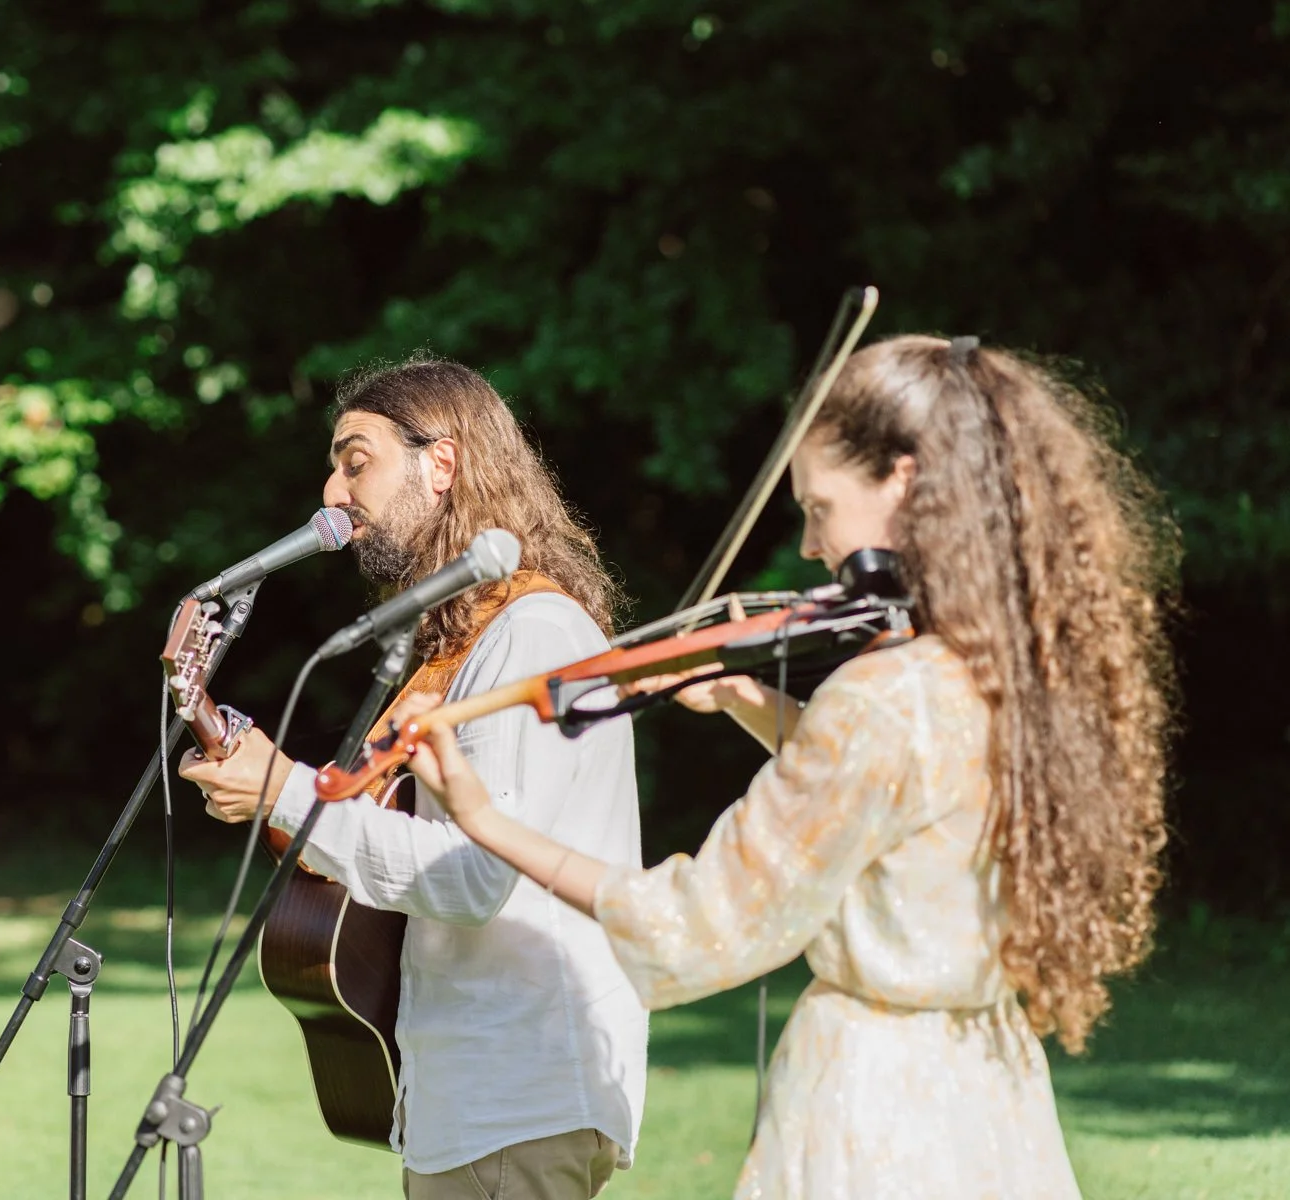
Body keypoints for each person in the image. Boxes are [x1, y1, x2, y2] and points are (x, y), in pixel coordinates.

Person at [392, 335, 1177, 1199]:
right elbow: (893, 789)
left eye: (822, 507)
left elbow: (698, 921)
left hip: (873, 1105)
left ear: (903, 486)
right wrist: (746, 698)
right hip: (989, 1087)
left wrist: (487, 822)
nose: (809, 545)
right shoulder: (1003, 681)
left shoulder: (881, 696)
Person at [180, 358, 649, 1198]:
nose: (332, 492)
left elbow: (474, 876)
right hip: (473, 1097)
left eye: (355, 460)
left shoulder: (533, 633)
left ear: (443, 463)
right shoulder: (462, 645)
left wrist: (284, 789)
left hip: (519, 1093)